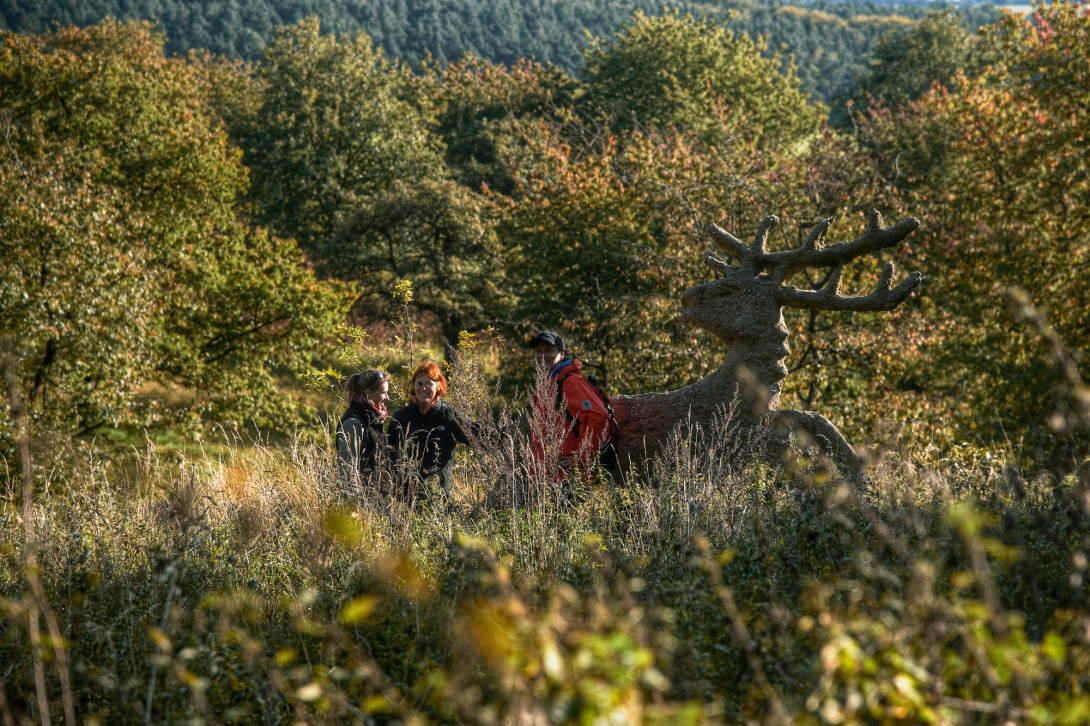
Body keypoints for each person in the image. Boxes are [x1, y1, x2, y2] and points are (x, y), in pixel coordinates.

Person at [388, 362, 490, 496]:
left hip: (438, 499)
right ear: (414, 386)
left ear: (439, 386)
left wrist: (509, 432)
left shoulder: (449, 416)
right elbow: (387, 454)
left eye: (428, 383)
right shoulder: (401, 417)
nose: (423, 388)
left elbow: (481, 436)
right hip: (403, 499)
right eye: (419, 384)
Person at [526, 331, 616, 481]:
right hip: (547, 476)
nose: (542, 356)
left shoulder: (571, 382)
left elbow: (599, 415)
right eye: (539, 351)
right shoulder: (548, 384)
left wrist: (580, 457)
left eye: (549, 350)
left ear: (562, 354)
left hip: (567, 476)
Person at [336, 368, 391, 483]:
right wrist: (356, 495)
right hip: (363, 494)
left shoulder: (373, 420)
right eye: (383, 393)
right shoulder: (353, 423)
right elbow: (347, 471)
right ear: (368, 392)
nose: (387, 397)